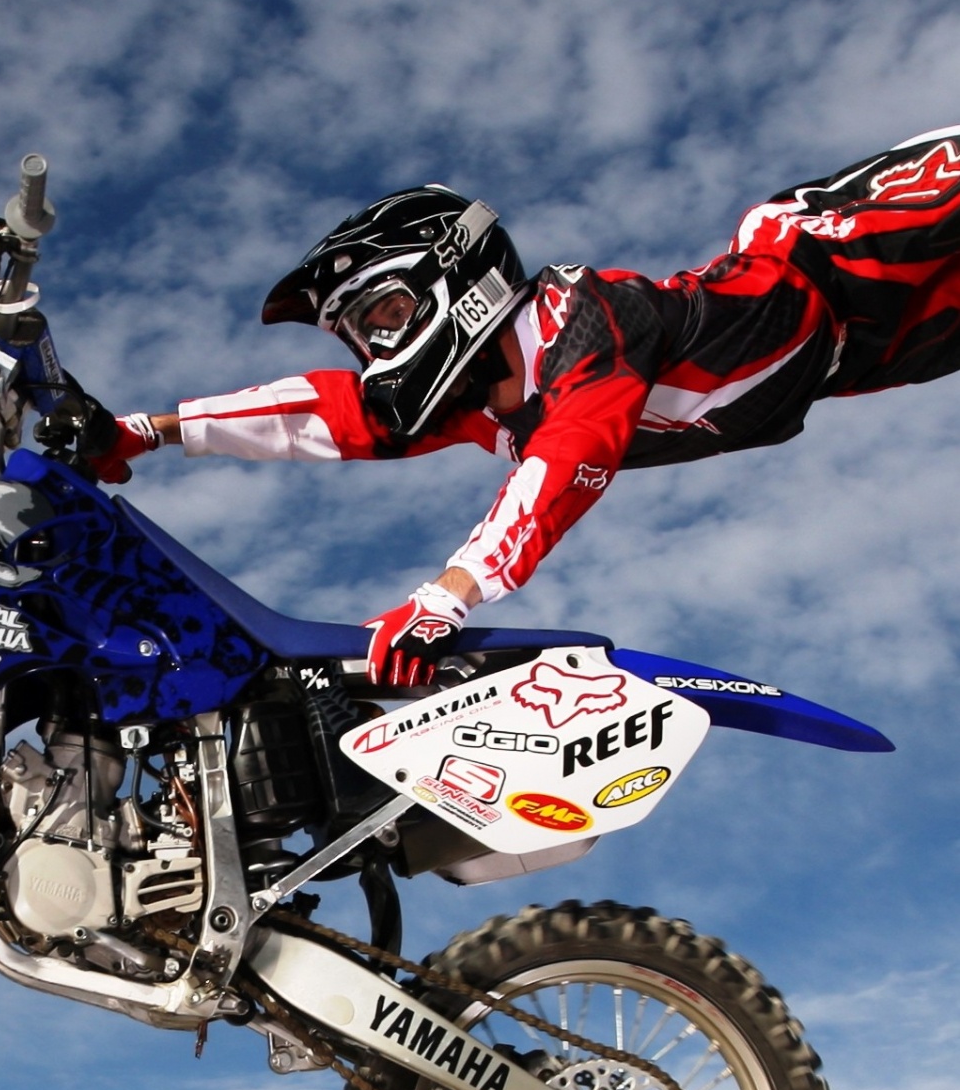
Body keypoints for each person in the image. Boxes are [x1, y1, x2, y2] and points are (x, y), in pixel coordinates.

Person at [90, 129, 960, 687]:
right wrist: (149, 431)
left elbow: (572, 456)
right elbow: (332, 413)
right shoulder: (484, 406)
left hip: (843, 248)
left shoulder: (580, 316)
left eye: (383, 315)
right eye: (359, 334)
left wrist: (447, 596)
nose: (375, 349)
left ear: (449, 276)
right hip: (870, 353)